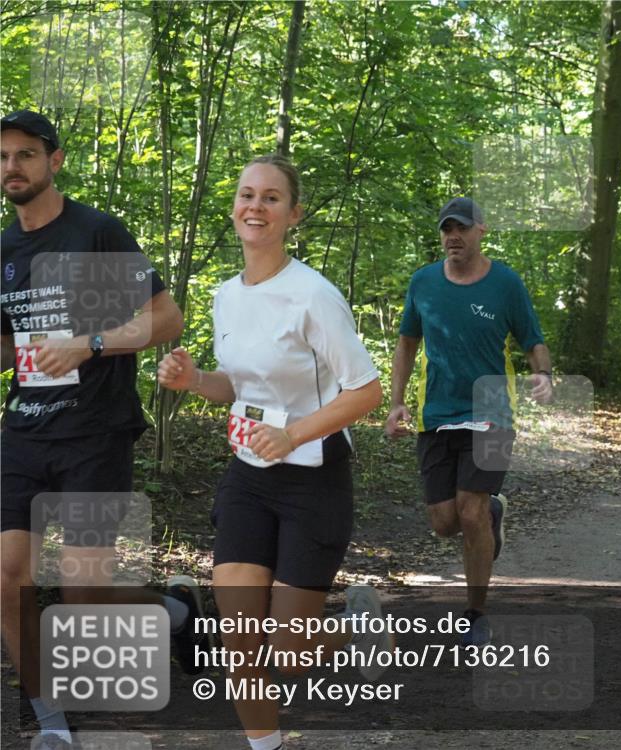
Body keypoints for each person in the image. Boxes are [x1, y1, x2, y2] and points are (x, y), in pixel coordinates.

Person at [158, 155, 390, 750]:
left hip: (313, 481)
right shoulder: (225, 295)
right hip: (249, 476)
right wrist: (194, 380)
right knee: (240, 638)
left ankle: (356, 627)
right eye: (246, 195)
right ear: (234, 205)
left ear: (293, 215)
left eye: (270, 197)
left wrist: (295, 435)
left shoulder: (313, 296)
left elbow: (366, 392)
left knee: (288, 653)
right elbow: (238, 387)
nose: (255, 206)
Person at [0, 110, 187, 748]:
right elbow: (9, 347)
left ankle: (173, 613)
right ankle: (51, 721)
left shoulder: (94, 233)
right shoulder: (4, 251)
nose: (12, 167)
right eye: (3, 157)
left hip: (95, 428)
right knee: (8, 577)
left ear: (54, 161)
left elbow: (166, 318)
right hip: (24, 430)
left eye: (26, 154)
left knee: (83, 593)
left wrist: (90, 343)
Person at [384, 197, 553, 646]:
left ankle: (475, 614)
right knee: (444, 522)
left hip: (492, 413)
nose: (453, 236)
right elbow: (406, 343)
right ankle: (493, 514)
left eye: (461, 228)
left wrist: (543, 373)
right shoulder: (423, 282)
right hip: (436, 415)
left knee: (471, 510)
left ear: (481, 230)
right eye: (446, 229)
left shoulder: (505, 283)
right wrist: (397, 402)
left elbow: (533, 339)